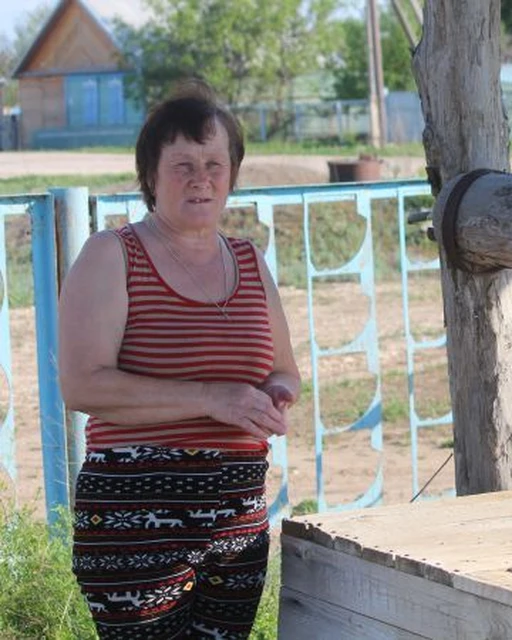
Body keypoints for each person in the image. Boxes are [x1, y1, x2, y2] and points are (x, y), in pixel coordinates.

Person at [57, 80, 300, 639]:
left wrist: (277, 392)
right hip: (135, 509)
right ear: (150, 175)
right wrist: (214, 398)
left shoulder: (250, 260)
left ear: (233, 175)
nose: (202, 178)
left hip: (239, 506)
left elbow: (284, 369)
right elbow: (82, 387)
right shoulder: (112, 254)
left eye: (215, 163)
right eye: (183, 163)